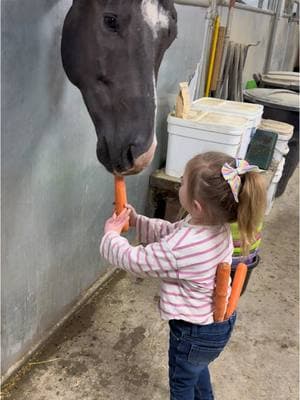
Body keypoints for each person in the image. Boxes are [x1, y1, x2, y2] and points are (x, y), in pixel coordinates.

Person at [100, 151, 267, 400]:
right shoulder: (214, 225)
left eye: (182, 183)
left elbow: (138, 261)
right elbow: (171, 233)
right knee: (197, 370)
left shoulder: (186, 245)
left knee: (181, 385)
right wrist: (137, 220)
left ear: (196, 205)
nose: (179, 186)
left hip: (192, 331)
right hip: (216, 326)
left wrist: (111, 236)